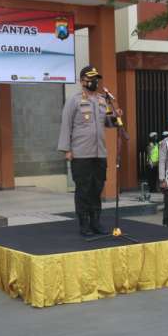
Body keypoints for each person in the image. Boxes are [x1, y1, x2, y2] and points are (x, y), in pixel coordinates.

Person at [57, 64, 121, 237]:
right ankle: (84, 224)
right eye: (90, 79)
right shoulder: (74, 100)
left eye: (95, 79)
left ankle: (96, 222)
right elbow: (66, 124)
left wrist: (115, 116)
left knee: (97, 188)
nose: (94, 82)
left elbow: (107, 123)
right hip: (80, 153)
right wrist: (66, 149)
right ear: (82, 81)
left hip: (99, 153)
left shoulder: (102, 100)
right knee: (83, 189)